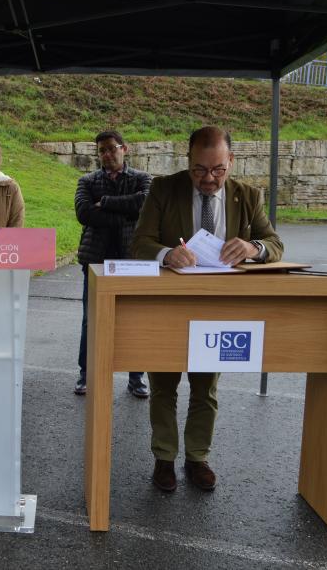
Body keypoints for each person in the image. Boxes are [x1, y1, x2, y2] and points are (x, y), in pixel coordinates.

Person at [131, 126, 284, 493]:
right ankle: (164, 458)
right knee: (163, 386)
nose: (209, 179)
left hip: (217, 308)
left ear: (231, 161)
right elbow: (140, 242)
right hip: (169, 307)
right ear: (188, 162)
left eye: (218, 170)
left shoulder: (247, 196)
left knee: (206, 388)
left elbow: (274, 244)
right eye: (199, 170)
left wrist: (252, 249)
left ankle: (197, 457)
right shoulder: (164, 189)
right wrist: (166, 254)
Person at [74, 130, 151, 397]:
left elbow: (145, 204)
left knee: (135, 320)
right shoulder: (87, 180)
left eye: (111, 148)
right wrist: (125, 215)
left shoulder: (142, 179)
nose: (106, 155)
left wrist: (105, 203)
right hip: (96, 259)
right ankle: (87, 374)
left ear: (124, 148)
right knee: (90, 321)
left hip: (132, 260)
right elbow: (84, 213)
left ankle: (136, 377)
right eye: (101, 151)